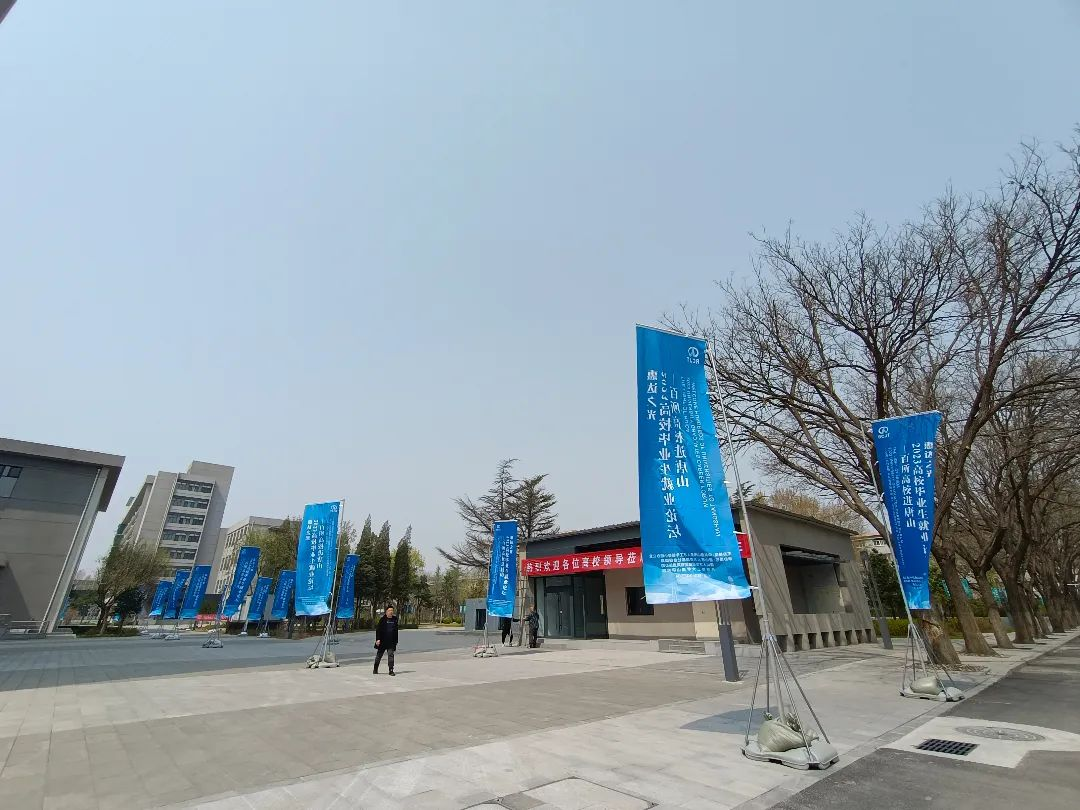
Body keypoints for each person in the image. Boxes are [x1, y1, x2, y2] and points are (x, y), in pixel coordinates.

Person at [374, 605, 399, 676]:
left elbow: (396, 631)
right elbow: (378, 630)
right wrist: (378, 639)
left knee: (391, 655)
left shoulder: (395, 619)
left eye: (392, 610)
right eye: (389, 610)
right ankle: (375, 668)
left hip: (391, 642)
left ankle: (391, 670)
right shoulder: (382, 620)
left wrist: (396, 641)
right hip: (382, 641)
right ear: (386, 612)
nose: (391, 612)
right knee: (379, 656)